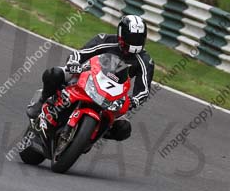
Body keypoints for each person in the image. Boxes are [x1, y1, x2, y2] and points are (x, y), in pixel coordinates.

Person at [27, 15, 155, 141]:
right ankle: (42, 101)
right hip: (86, 74)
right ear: (122, 34)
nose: (134, 42)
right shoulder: (105, 40)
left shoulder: (146, 61)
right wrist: (74, 64)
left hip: (113, 93)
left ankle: (92, 133)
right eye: (132, 38)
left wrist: (134, 100)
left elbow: (143, 89)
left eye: (138, 38)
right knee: (54, 73)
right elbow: (81, 53)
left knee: (124, 129)